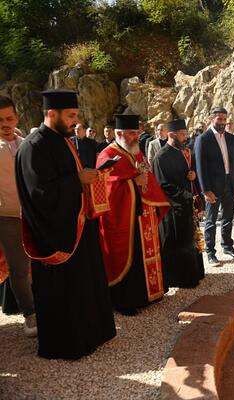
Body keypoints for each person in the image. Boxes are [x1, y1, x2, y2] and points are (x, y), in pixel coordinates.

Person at [15, 89, 115, 359]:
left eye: (76, 115)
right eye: (70, 116)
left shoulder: (62, 140)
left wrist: (89, 178)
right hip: (57, 233)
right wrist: (78, 180)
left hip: (78, 224)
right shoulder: (34, 146)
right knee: (66, 292)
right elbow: (40, 195)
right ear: (51, 113)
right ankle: (68, 343)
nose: (75, 121)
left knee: (86, 283)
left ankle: (93, 333)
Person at [96, 114, 170, 316]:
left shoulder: (135, 151)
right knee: (128, 256)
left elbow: (147, 176)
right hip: (122, 219)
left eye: (137, 133)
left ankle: (150, 293)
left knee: (144, 255)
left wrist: (148, 193)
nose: (136, 137)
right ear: (119, 133)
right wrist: (132, 183)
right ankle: (126, 300)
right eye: (131, 133)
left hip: (143, 214)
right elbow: (105, 191)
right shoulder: (107, 155)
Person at [152, 119, 205, 288]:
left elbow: (189, 174)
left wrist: (192, 175)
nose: (186, 137)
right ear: (171, 135)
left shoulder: (182, 152)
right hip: (173, 209)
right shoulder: (161, 157)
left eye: (186, 134)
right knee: (178, 243)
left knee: (190, 240)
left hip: (187, 204)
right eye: (182, 134)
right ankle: (181, 279)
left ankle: (195, 273)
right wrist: (187, 196)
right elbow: (163, 185)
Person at [0, 95, 36, 336]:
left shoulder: (27, 144)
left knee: (37, 264)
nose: (5, 124)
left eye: (9, 118)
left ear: (17, 118)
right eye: (0, 120)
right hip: (6, 216)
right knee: (19, 267)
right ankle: (30, 314)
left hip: (31, 216)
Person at [195, 107, 234, 267]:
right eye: (219, 119)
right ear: (211, 119)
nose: (223, 122)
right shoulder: (203, 139)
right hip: (213, 187)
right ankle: (210, 252)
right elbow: (200, 167)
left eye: (224, 119)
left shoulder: (232, 138)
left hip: (230, 184)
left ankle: (227, 246)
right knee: (211, 221)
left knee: (228, 218)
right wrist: (205, 190)